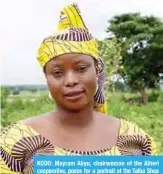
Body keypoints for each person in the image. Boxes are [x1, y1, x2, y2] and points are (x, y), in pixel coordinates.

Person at [0, 3, 157, 174]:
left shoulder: (137, 139)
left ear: (97, 70)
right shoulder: (15, 140)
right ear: (47, 79)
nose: (71, 81)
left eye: (81, 69)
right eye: (58, 73)